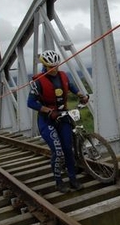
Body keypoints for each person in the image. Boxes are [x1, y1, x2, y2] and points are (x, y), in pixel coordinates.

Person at [27, 50, 89, 193]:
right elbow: (30, 103)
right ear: (45, 66)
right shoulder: (38, 82)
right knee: (58, 151)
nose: (54, 69)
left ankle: (73, 179)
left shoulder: (63, 76)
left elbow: (71, 87)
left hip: (63, 117)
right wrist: (48, 111)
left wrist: (81, 95)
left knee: (68, 149)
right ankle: (59, 181)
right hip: (47, 120)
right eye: (51, 67)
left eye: (56, 66)